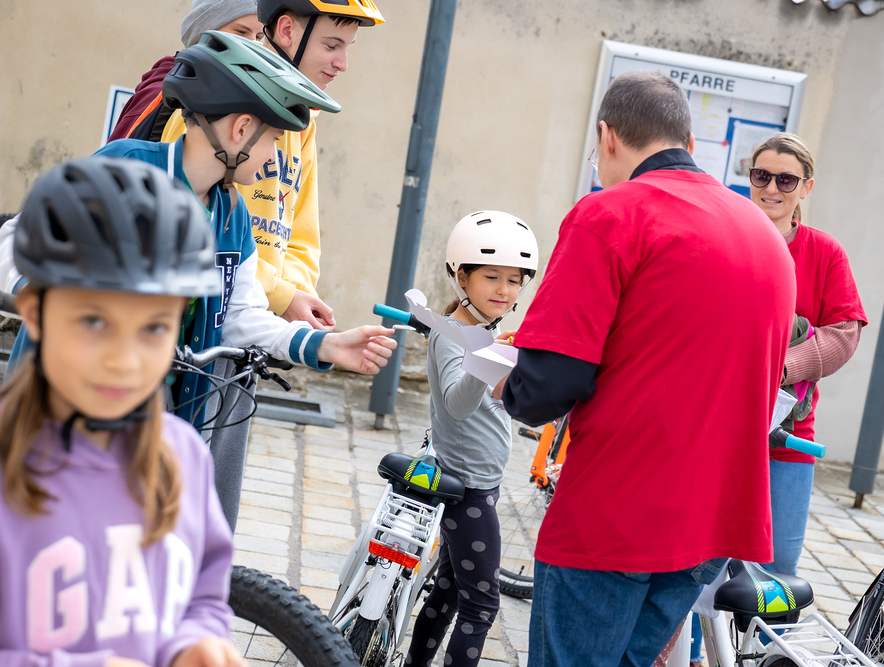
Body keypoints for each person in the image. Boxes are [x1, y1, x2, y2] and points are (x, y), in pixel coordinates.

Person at [0, 31, 397, 531]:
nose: (274, 158)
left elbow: (240, 315)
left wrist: (326, 346)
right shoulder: (127, 168)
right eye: (273, 141)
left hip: (156, 419)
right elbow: (14, 243)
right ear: (241, 130)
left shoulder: (230, 213)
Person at [495, 70, 797, 667]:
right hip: (715, 518)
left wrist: (513, 384)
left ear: (607, 137)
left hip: (617, 509)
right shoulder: (762, 235)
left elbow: (549, 385)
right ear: (689, 140)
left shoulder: (609, 215)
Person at [0, 157, 241, 667]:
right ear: (36, 314)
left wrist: (195, 642)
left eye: (154, 327)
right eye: (93, 321)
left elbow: (203, 594)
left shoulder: (183, 457)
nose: (125, 360)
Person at [156, 0, 386, 329]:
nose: (343, 63)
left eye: (347, 48)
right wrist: (282, 296)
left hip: (257, 321)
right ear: (287, 31)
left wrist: (296, 295)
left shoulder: (304, 126)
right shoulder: (215, 105)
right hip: (193, 316)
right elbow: (185, 229)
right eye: (332, 46)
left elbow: (301, 233)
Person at [404, 211, 539, 667]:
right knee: (481, 605)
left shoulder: (485, 331)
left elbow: (491, 401)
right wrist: (488, 362)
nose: (504, 290)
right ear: (462, 277)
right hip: (468, 490)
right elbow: (457, 405)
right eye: (492, 277)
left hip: (481, 481)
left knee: (447, 590)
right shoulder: (452, 336)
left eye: (514, 280)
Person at [748, 133, 867, 576]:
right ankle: (699, 629)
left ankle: (760, 632)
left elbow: (845, 334)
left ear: (806, 187)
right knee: (699, 565)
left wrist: (779, 367)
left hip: (787, 435)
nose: (772, 188)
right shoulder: (726, 235)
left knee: (778, 569)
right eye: (762, 175)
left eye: (786, 179)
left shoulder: (824, 252)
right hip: (718, 428)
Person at [108, 0, 264, 143]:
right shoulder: (161, 93)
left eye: (258, 37)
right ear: (205, 33)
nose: (253, 44)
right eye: (241, 32)